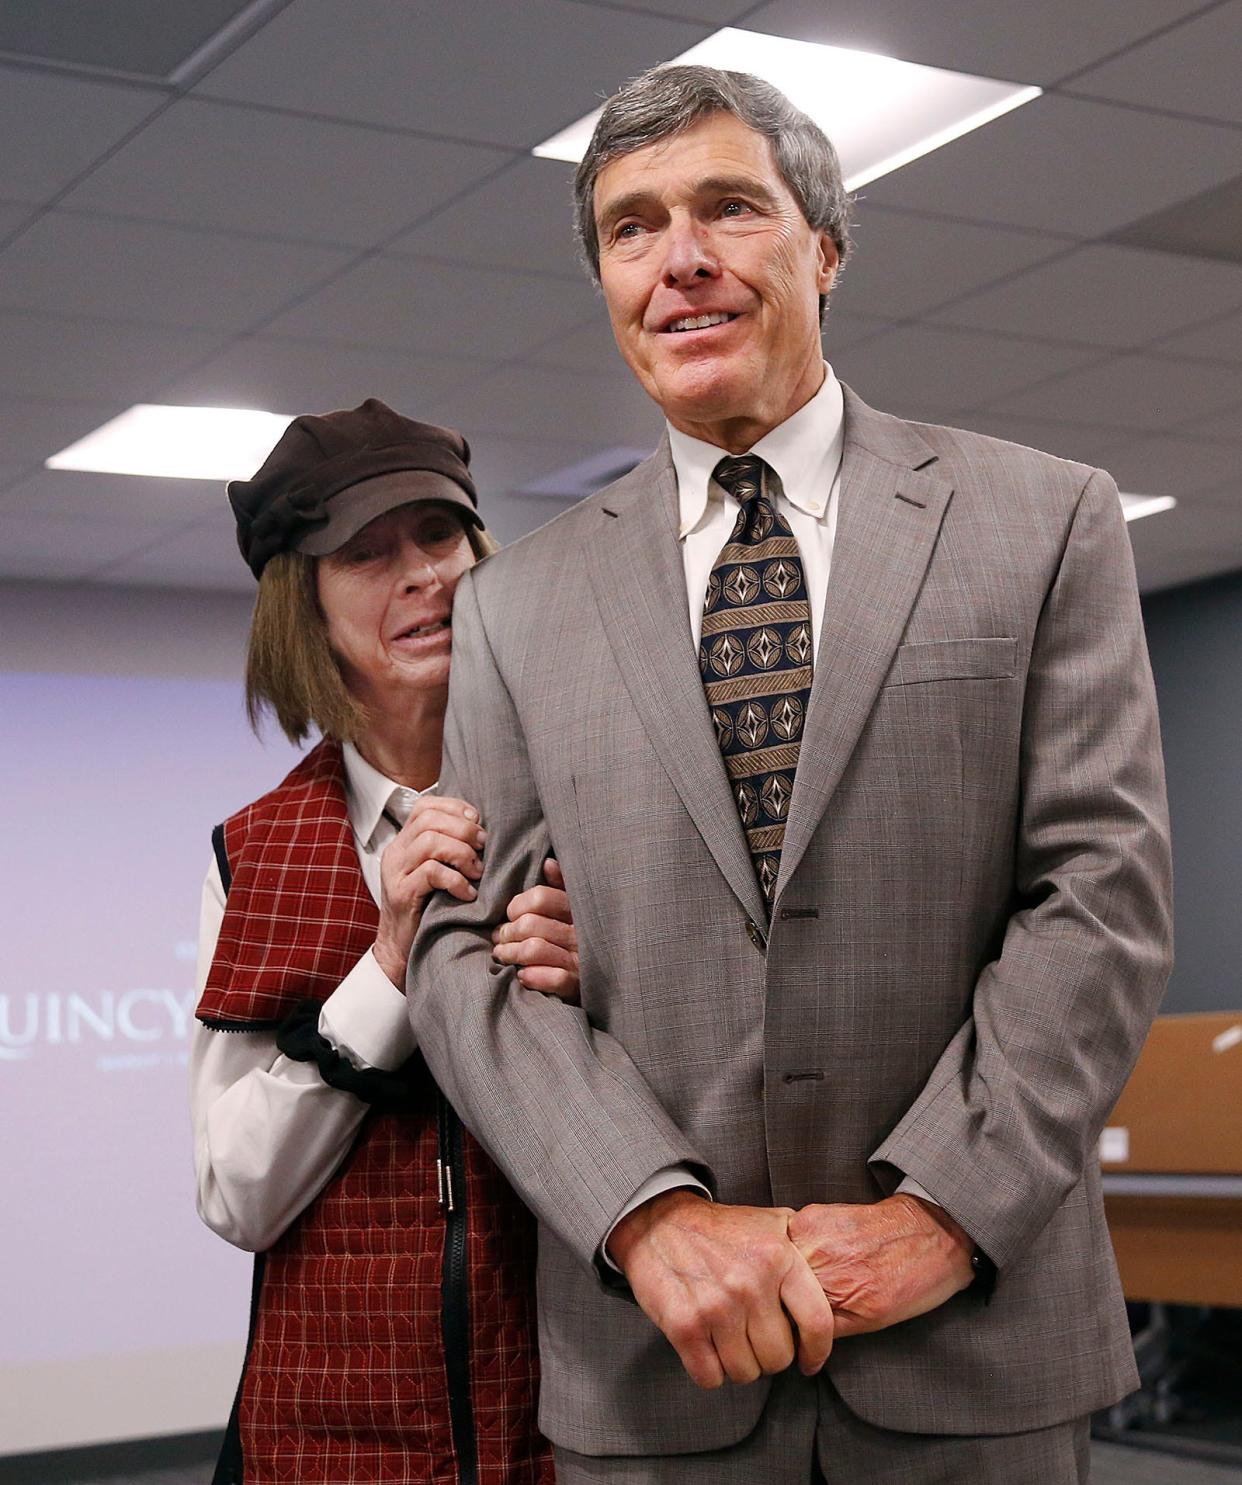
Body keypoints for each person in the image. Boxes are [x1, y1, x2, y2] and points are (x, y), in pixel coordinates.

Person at [408, 66, 1174, 1484]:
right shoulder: (514, 605)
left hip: (974, 1343)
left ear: (824, 248)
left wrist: (941, 1208)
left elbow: (1099, 896)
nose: (679, 259)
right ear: (604, 284)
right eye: (631, 229)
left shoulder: (1040, 520)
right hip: (659, 1361)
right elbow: (462, 953)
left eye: (727, 208)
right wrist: (646, 1215)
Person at [189, 400, 574, 1485]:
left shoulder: (587, 798)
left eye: (439, 535)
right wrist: (387, 968)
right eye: (366, 552)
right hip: (329, 1441)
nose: (422, 574)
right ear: (299, 607)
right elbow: (236, 1194)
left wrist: (604, 990)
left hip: (572, 1427)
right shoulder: (252, 854)